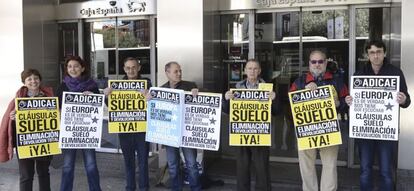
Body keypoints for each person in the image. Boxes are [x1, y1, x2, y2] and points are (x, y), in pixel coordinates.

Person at [345, 40, 411, 191]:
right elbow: (353, 100)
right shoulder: (359, 74)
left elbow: (407, 101)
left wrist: (404, 99)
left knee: (386, 172)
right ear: (367, 55)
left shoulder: (395, 73)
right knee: (365, 170)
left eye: (379, 52)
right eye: (372, 53)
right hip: (365, 132)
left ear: (384, 53)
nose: (376, 56)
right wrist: (349, 100)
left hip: (386, 132)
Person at [289, 50, 348, 191]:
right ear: (309, 64)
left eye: (320, 61)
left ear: (326, 63)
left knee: (330, 165)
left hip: (329, 129)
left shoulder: (336, 80)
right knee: (306, 166)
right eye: (313, 62)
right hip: (306, 130)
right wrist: (303, 90)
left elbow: (347, 101)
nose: (317, 64)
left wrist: (339, 104)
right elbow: (291, 103)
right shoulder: (300, 81)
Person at [224, 59, 276, 191]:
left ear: (259, 71)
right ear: (245, 71)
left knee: (262, 168)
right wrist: (226, 99)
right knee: (242, 168)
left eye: (255, 68)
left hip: (260, 133)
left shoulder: (268, 87)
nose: (252, 71)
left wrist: (274, 99)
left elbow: (277, 111)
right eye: (249, 68)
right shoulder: (236, 87)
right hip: (241, 133)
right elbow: (227, 110)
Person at [0, 69, 53, 191]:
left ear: (40, 80)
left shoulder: (50, 98)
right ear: (24, 82)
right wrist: (12, 118)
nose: (33, 81)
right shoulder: (17, 100)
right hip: (24, 142)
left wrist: (58, 113)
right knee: (26, 175)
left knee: (44, 173)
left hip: (45, 140)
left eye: (36, 78)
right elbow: (7, 123)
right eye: (29, 79)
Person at [103, 57, 150, 191]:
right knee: (128, 161)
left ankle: (144, 187)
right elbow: (111, 106)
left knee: (143, 162)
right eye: (128, 68)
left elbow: (154, 103)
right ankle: (130, 187)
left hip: (142, 130)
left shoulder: (146, 83)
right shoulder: (116, 86)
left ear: (139, 68)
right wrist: (107, 96)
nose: (131, 70)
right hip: (125, 131)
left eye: (134, 67)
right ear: (124, 69)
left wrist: (149, 96)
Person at [56, 56, 102, 191]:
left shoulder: (92, 86)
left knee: (91, 164)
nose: (73, 69)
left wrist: (93, 97)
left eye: (76, 66)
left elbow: (100, 109)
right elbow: (56, 108)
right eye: (69, 66)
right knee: (68, 165)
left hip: (87, 133)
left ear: (82, 68)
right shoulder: (63, 86)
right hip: (70, 132)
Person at [159, 61, 201, 191]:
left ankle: (195, 188)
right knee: (172, 165)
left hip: (186, 132)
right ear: (167, 73)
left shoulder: (190, 86)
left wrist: (198, 92)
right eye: (176, 71)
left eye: (180, 71)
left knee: (192, 164)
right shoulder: (161, 90)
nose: (179, 73)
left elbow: (204, 98)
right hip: (170, 133)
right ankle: (176, 188)